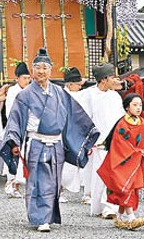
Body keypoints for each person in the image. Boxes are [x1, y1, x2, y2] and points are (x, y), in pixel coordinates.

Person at [0, 48, 99, 233]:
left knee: (53, 181)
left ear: (51, 70)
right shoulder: (25, 95)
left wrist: (85, 140)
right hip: (37, 143)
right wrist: (14, 142)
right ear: (32, 70)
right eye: (37, 67)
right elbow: (15, 121)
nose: (41, 71)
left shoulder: (60, 93)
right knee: (38, 180)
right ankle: (39, 218)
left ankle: (47, 215)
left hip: (56, 144)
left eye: (45, 67)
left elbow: (74, 117)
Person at [97, 94, 144, 230]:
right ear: (127, 106)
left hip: (134, 161)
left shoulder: (141, 122)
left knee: (131, 187)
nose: (138, 108)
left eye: (140, 105)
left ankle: (120, 216)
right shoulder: (122, 124)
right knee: (126, 187)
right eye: (134, 105)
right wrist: (138, 152)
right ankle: (131, 217)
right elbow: (121, 145)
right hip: (122, 160)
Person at [83, 62, 125, 219]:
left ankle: (110, 206)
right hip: (98, 142)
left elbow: (122, 119)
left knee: (113, 174)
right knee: (100, 175)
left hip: (115, 141)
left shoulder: (115, 96)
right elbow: (84, 118)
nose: (115, 79)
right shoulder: (88, 95)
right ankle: (100, 206)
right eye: (112, 77)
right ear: (103, 79)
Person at [3, 61, 31, 198]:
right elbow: (11, 112)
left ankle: (17, 185)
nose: (27, 80)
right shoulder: (14, 92)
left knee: (23, 157)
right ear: (17, 79)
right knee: (15, 154)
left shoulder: (29, 91)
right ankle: (11, 184)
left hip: (26, 127)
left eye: (28, 78)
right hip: (15, 126)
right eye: (24, 78)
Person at [60, 67, 88, 203]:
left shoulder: (81, 95)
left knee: (83, 162)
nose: (79, 87)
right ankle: (59, 192)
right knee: (64, 164)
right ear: (70, 84)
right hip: (65, 133)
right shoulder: (60, 96)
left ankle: (87, 193)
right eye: (77, 85)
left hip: (79, 132)